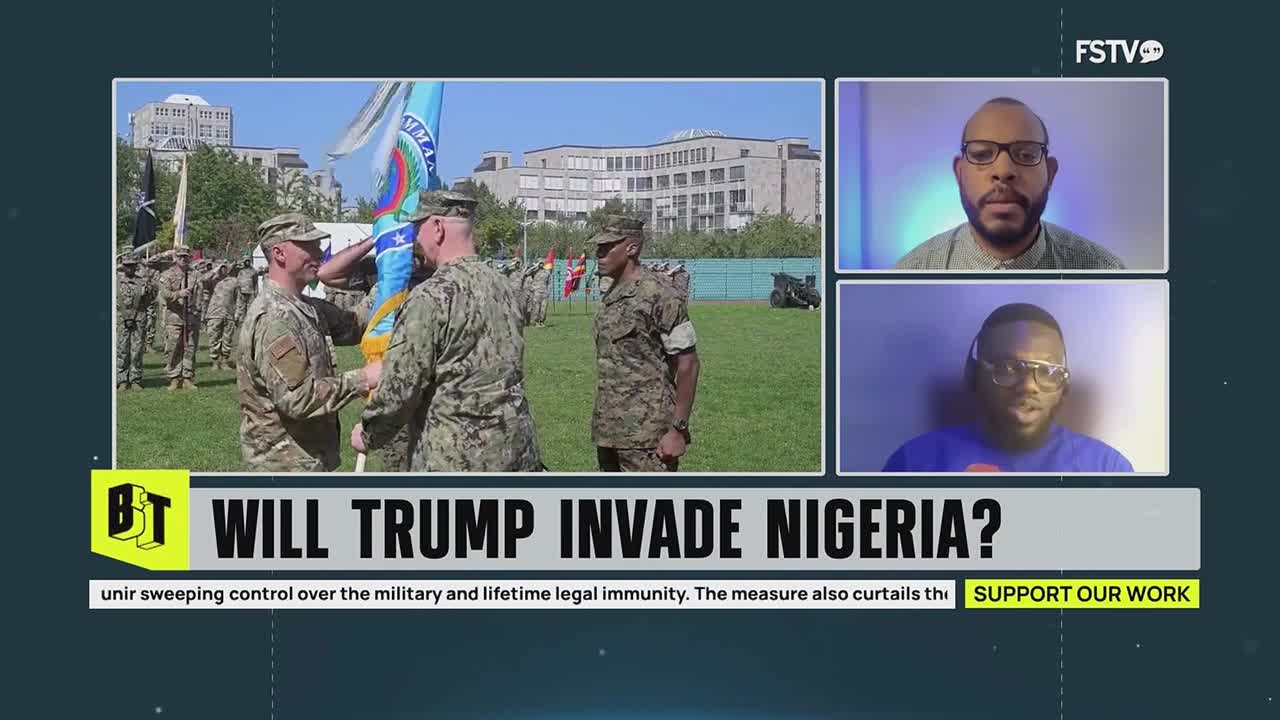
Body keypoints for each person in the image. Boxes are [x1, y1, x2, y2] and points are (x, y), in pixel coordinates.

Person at [351, 190, 542, 472]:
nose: (415, 240)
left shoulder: (431, 297)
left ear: (437, 228)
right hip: (515, 449)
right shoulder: (505, 287)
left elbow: (401, 385)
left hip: (455, 459)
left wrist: (369, 433)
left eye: (418, 229)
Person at [883, 303, 1133, 473]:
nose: (1028, 386)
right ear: (974, 375)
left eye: (1047, 371)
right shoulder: (914, 463)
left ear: (1063, 385)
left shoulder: (1106, 468)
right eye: (1007, 367)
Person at [895, 98, 1126, 270]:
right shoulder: (913, 269)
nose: (1003, 171)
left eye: (1026, 155)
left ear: (1050, 173)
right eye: (982, 154)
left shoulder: (1105, 269)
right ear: (960, 173)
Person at [237, 213, 378, 472]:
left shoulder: (304, 306)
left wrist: (387, 281)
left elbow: (355, 324)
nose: (319, 252)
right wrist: (363, 379)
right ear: (279, 253)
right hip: (283, 466)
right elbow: (298, 399)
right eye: (309, 246)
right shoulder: (275, 317)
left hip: (308, 458)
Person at [591, 215, 700, 472]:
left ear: (632, 248)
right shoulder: (612, 294)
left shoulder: (660, 295)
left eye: (608, 247)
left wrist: (678, 429)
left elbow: (688, 364)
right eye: (598, 247)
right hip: (610, 431)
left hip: (649, 437)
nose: (599, 254)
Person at [159, 247, 204, 390]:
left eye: (186, 257)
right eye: (180, 257)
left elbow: (200, 294)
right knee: (173, 348)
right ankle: (174, 377)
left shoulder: (195, 274)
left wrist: (197, 311)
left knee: (190, 348)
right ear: (175, 258)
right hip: (174, 317)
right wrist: (178, 294)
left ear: (190, 258)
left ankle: (187, 377)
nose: (183, 259)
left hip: (191, 317)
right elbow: (165, 293)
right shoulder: (167, 274)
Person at [116, 254, 149, 391]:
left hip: (138, 319)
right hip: (121, 319)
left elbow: (149, 302)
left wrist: (147, 291)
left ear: (136, 266)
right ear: (123, 266)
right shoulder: (115, 282)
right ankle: (122, 380)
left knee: (137, 350)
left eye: (132, 265)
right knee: (122, 350)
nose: (129, 268)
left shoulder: (142, 282)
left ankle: (135, 379)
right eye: (127, 265)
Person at [205, 263, 239, 370]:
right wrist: (215, 270)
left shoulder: (233, 281)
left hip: (228, 314)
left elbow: (238, 298)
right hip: (214, 314)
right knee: (214, 338)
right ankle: (215, 361)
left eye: (225, 268)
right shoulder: (212, 280)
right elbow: (203, 279)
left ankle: (224, 361)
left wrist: (237, 313)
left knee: (227, 339)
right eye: (221, 268)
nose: (223, 270)